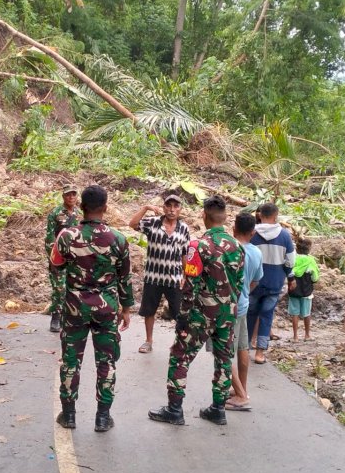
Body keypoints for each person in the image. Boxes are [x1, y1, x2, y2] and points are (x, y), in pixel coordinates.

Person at [149, 195, 244, 427]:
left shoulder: (196, 246)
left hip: (201, 314)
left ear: (204, 216)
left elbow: (189, 285)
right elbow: (239, 283)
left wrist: (183, 315)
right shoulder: (238, 247)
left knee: (180, 356)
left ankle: (174, 410)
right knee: (223, 360)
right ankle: (218, 409)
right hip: (227, 313)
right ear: (225, 219)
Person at [51, 185, 133, 432]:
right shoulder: (118, 239)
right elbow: (125, 278)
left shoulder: (66, 236)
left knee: (70, 361)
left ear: (81, 207)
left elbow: (56, 264)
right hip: (106, 309)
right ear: (105, 207)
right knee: (106, 362)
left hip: (75, 307)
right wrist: (126, 308)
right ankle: (102, 417)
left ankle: (69, 415)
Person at [128, 191, 190, 353]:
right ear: (163, 208)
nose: (171, 209)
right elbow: (132, 224)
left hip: (174, 278)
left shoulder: (184, 229)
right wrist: (146, 207)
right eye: (168, 206)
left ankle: (179, 342)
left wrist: (186, 275)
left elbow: (184, 254)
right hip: (153, 277)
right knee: (149, 310)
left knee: (179, 312)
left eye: (175, 206)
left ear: (180, 209)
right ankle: (148, 341)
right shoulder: (153, 223)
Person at [247, 203, 295, 364]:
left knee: (250, 314)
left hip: (254, 283)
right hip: (274, 282)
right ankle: (260, 353)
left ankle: (244, 348)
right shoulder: (285, 236)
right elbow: (290, 261)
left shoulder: (252, 234)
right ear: (275, 216)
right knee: (266, 316)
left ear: (260, 215)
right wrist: (290, 278)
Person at [226, 212, 263, 412]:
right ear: (253, 232)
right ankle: (242, 387)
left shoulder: (230, 249)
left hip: (228, 306)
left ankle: (240, 394)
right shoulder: (256, 253)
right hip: (243, 304)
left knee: (222, 350)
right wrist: (245, 291)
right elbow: (256, 280)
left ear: (233, 229)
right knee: (242, 347)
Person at [45, 185, 80, 333]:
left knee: (75, 287)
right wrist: (53, 258)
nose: (71, 197)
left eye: (73, 194)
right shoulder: (56, 213)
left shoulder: (79, 214)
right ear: (63, 196)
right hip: (59, 255)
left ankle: (71, 317)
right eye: (68, 195)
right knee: (59, 288)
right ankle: (56, 316)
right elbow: (50, 236)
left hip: (75, 257)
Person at [288, 238, 320, 342]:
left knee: (295, 313)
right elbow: (315, 278)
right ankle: (307, 335)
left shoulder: (294, 259)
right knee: (307, 313)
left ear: (297, 249)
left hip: (293, 290)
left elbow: (288, 271)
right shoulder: (311, 261)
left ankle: (295, 337)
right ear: (309, 249)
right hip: (306, 291)